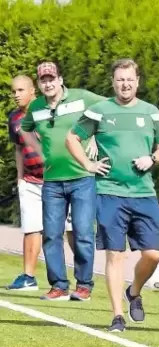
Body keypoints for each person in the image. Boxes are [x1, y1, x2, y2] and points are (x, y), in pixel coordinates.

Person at [66, 58, 159, 333]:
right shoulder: (100, 111)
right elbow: (71, 138)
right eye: (120, 79)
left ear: (137, 82)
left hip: (144, 193)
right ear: (113, 82)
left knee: (153, 254)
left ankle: (134, 292)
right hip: (109, 193)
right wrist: (88, 165)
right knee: (115, 254)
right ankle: (117, 316)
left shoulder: (151, 113)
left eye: (129, 79)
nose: (125, 84)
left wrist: (153, 159)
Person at [21, 62, 104, 301]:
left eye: (51, 79)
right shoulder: (36, 107)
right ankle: (58, 285)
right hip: (52, 181)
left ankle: (84, 286)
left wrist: (95, 136)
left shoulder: (82, 98)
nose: (48, 84)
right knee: (51, 234)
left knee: (83, 233)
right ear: (39, 83)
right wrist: (39, 151)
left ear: (60, 79)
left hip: (82, 177)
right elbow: (25, 129)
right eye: (43, 80)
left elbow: (108, 109)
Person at [6, 75, 44, 291]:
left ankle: (83, 281)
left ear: (32, 92)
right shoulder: (14, 119)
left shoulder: (46, 112)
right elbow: (19, 149)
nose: (16, 95)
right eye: (14, 91)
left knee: (70, 231)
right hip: (30, 181)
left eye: (21, 90)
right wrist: (20, 179)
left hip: (56, 180)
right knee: (31, 228)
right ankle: (28, 277)